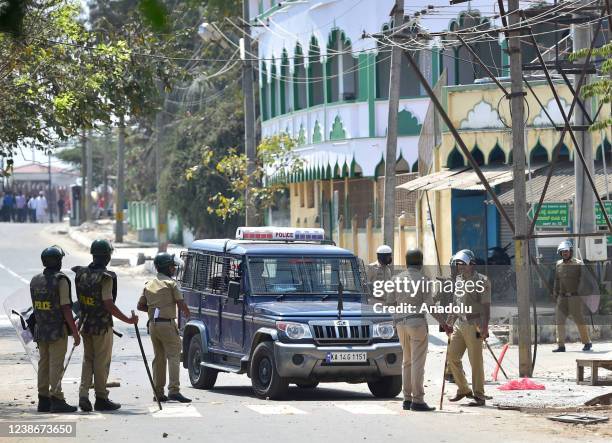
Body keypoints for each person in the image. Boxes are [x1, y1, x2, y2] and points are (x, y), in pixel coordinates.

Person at [73, 239, 138, 412]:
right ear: (108, 256)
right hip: (101, 326)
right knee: (101, 362)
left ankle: (83, 395)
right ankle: (101, 398)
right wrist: (129, 320)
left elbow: (80, 301)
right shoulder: (106, 277)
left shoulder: (81, 274)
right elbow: (108, 304)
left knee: (88, 360)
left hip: (85, 324)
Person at [386, 249, 450, 411]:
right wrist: (444, 324)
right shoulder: (424, 280)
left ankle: (407, 399)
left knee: (406, 361)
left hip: (401, 323)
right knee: (417, 363)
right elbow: (430, 306)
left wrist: (396, 321)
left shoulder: (396, 279)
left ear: (407, 263)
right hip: (416, 324)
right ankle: (418, 400)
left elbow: (390, 303)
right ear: (421, 263)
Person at [30, 246, 80, 413]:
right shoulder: (61, 280)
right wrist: (74, 331)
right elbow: (66, 308)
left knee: (43, 363)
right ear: (58, 261)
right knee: (56, 364)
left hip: (40, 330)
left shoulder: (35, 280)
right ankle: (57, 398)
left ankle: (43, 399)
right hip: (57, 331)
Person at [137, 252, 191, 403]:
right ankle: (174, 390)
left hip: (153, 325)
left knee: (159, 358)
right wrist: (188, 314)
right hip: (167, 324)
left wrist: (154, 309)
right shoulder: (171, 284)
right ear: (166, 267)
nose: (174, 269)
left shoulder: (148, 284)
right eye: (172, 266)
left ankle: (158, 392)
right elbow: (181, 304)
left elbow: (140, 305)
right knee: (174, 355)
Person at [446, 249, 491, 407]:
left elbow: (486, 307)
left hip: (476, 325)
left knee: (476, 361)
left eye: (463, 264)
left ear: (472, 264)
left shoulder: (482, 280)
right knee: (452, 357)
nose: (460, 267)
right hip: (459, 324)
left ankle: (479, 395)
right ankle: (463, 389)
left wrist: (485, 327)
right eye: (458, 264)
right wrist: (449, 322)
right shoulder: (458, 280)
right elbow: (455, 303)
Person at [553, 240, 592, 352]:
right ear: (560, 253)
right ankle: (561, 345)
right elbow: (556, 280)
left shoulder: (578, 263)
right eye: (563, 252)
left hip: (575, 296)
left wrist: (582, 293)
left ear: (570, 251)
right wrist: (555, 293)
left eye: (566, 251)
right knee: (559, 320)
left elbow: (584, 280)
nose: (565, 253)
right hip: (562, 297)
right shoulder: (558, 264)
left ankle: (587, 342)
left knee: (579, 319)